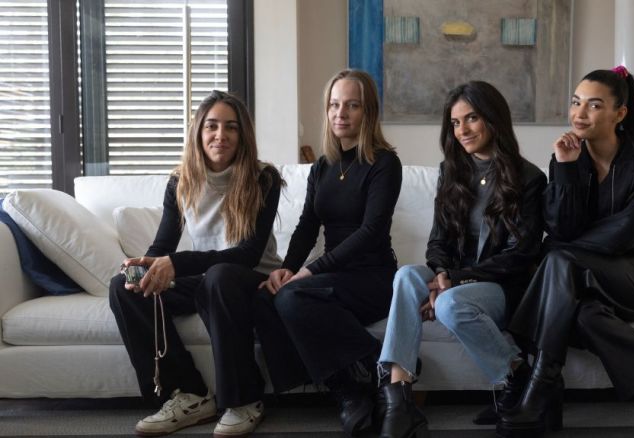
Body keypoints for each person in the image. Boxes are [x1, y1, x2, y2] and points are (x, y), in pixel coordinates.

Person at [497, 66, 634, 437]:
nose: (579, 113)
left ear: (620, 113)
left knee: (556, 259)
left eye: (594, 105)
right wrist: (566, 171)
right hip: (583, 284)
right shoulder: (566, 160)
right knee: (583, 315)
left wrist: (561, 251)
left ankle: (539, 386)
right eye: (575, 102)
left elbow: (623, 235)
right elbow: (560, 228)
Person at [109, 90, 307, 437]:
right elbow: (163, 245)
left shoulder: (264, 178)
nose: (221, 135)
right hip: (209, 280)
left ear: (242, 134)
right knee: (122, 288)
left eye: (231, 127)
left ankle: (244, 399)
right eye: (212, 126)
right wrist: (143, 268)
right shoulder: (180, 180)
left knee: (220, 276)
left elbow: (247, 254)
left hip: (252, 279)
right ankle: (189, 394)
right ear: (198, 132)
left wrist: (175, 263)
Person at [376, 81, 547, 438]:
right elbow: (438, 240)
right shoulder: (452, 171)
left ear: (494, 119)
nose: (463, 130)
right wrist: (441, 274)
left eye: (472, 118)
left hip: (500, 287)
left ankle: (516, 377)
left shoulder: (530, 178)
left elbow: (521, 255)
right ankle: (399, 397)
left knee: (450, 304)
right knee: (406, 276)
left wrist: (453, 280)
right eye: (455, 122)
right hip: (452, 280)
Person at [261, 69, 402, 437]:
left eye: (352, 105)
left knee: (292, 299)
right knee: (273, 294)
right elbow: (309, 224)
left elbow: (371, 232)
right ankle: (358, 378)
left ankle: (354, 382)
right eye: (334, 105)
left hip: (372, 277)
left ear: (367, 111)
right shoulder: (323, 165)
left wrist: (311, 271)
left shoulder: (384, 163)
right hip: (334, 276)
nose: (341, 113)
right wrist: (288, 268)